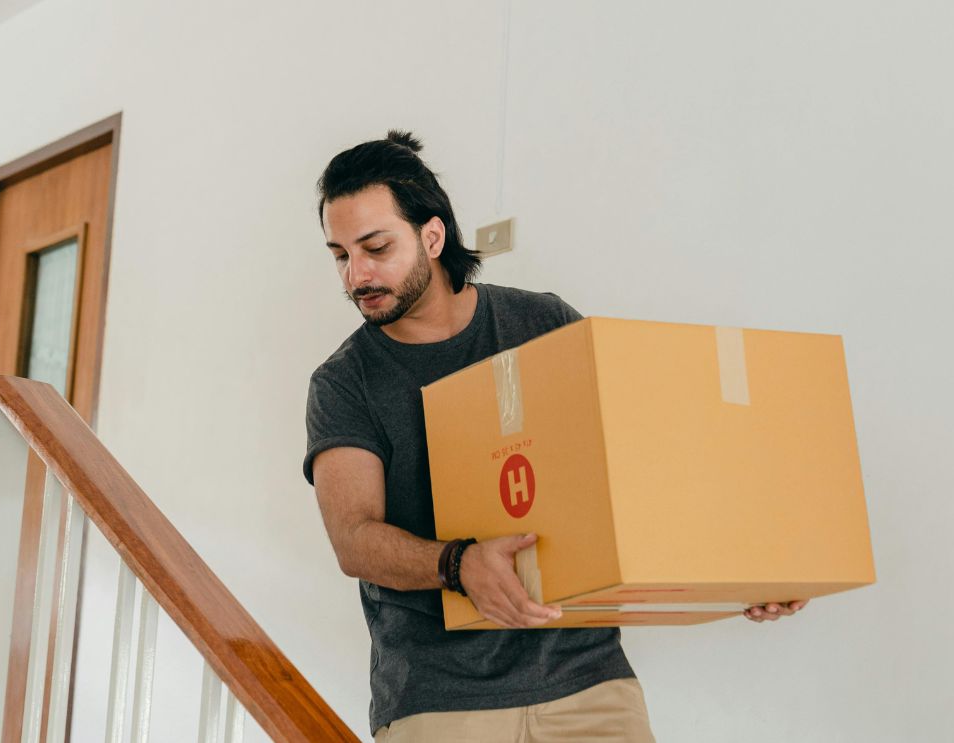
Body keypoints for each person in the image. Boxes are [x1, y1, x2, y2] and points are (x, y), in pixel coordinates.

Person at [303, 130, 806, 742]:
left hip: (588, 683)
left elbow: (630, 466)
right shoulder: (344, 382)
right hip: (438, 700)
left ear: (431, 237)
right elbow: (354, 539)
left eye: (375, 247)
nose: (356, 275)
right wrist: (459, 563)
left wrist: (748, 570)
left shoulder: (540, 324)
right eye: (339, 255)